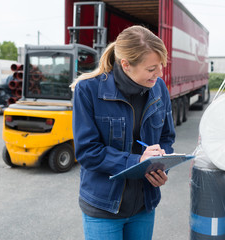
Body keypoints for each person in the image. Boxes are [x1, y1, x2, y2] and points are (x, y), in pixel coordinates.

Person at [71, 25, 176, 240]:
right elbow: (88, 152)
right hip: (103, 208)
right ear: (126, 65)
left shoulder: (159, 89)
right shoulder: (88, 90)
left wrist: (160, 166)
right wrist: (137, 161)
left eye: (161, 66)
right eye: (151, 68)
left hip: (144, 206)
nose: (159, 73)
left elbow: (166, 137)